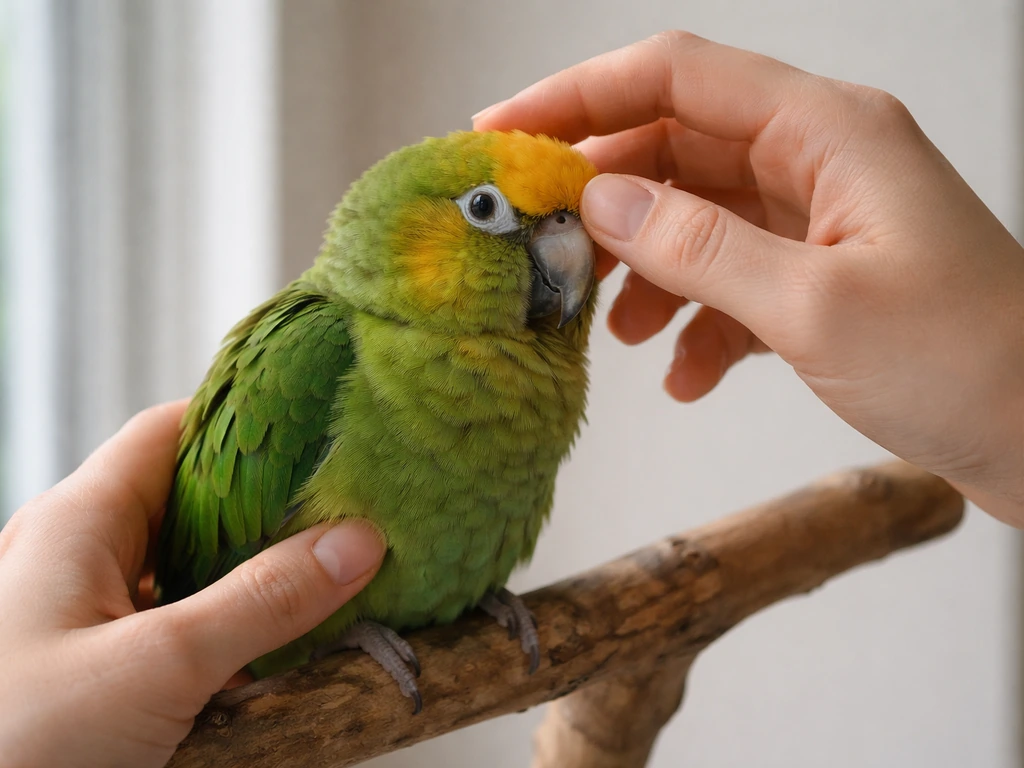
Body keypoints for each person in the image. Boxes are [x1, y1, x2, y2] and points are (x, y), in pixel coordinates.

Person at [0, 31, 1020, 767]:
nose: (560, 247)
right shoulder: (316, 347)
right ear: (404, 229)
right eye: (490, 214)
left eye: (568, 223)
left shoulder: (537, 376)